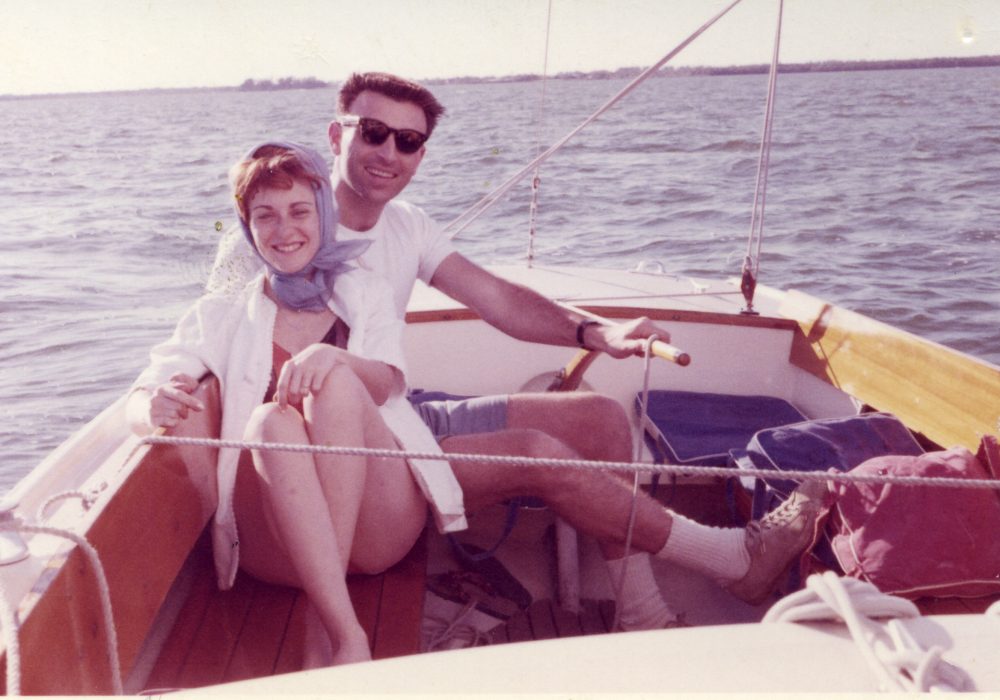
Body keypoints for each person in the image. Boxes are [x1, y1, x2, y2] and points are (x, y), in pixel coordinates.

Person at [207, 73, 828, 630]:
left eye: (409, 141)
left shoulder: (407, 226)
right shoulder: (279, 231)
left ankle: (642, 611)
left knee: (600, 419)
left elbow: (495, 297)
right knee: (536, 453)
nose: (389, 153)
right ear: (337, 134)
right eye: (373, 132)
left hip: (401, 415)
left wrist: (596, 333)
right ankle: (730, 558)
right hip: (332, 455)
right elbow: (218, 352)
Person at [127, 141, 466, 665]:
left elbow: (387, 383)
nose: (284, 231)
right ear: (248, 228)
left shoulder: (365, 291)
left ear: (324, 215)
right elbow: (146, 387)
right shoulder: (221, 313)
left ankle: (331, 619)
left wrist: (332, 360)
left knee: (333, 379)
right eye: (265, 216)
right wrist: (152, 404)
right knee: (269, 422)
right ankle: (346, 633)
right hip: (279, 545)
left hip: (376, 531)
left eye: (299, 211)